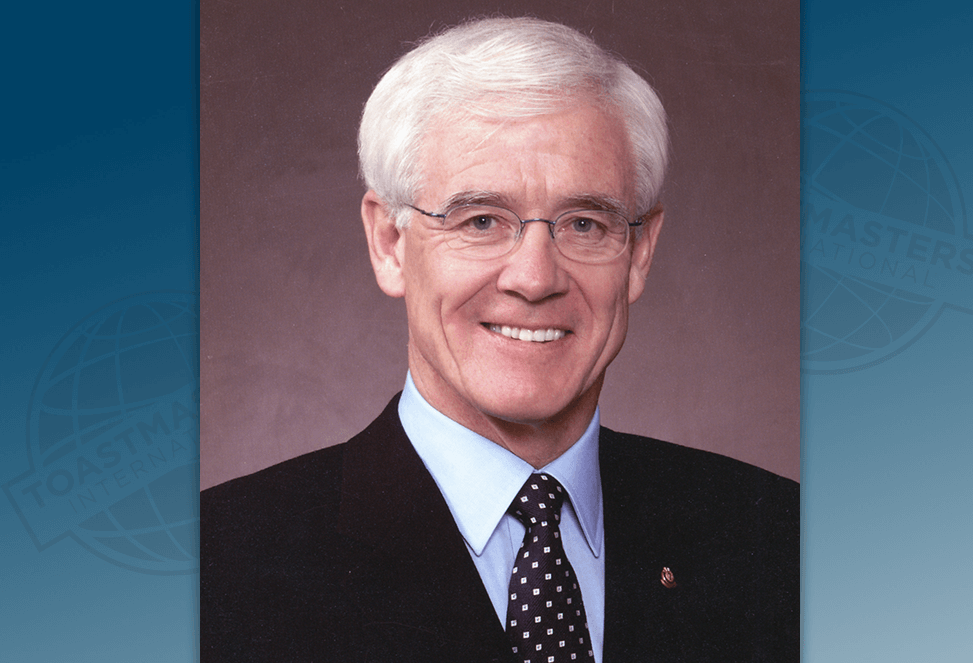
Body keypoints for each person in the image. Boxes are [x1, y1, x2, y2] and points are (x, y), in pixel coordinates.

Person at [201, 17, 798, 663]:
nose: (535, 278)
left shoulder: (780, 539)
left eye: (585, 223)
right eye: (481, 220)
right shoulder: (217, 565)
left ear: (639, 253)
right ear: (390, 243)